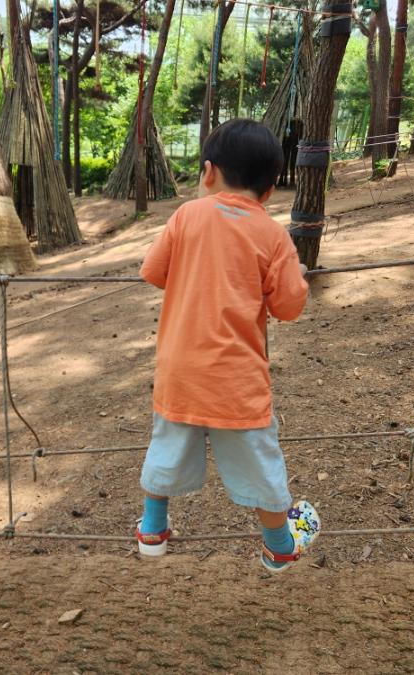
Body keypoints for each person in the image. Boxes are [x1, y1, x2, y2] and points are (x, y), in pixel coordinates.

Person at [137, 118, 320, 573]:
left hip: (179, 372)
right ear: (270, 189)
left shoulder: (185, 216)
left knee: (167, 444)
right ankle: (279, 545)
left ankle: (152, 529)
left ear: (207, 172)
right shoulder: (274, 235)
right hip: (237, 381)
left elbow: (154, 271)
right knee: (260, 463)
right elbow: (290, 306)